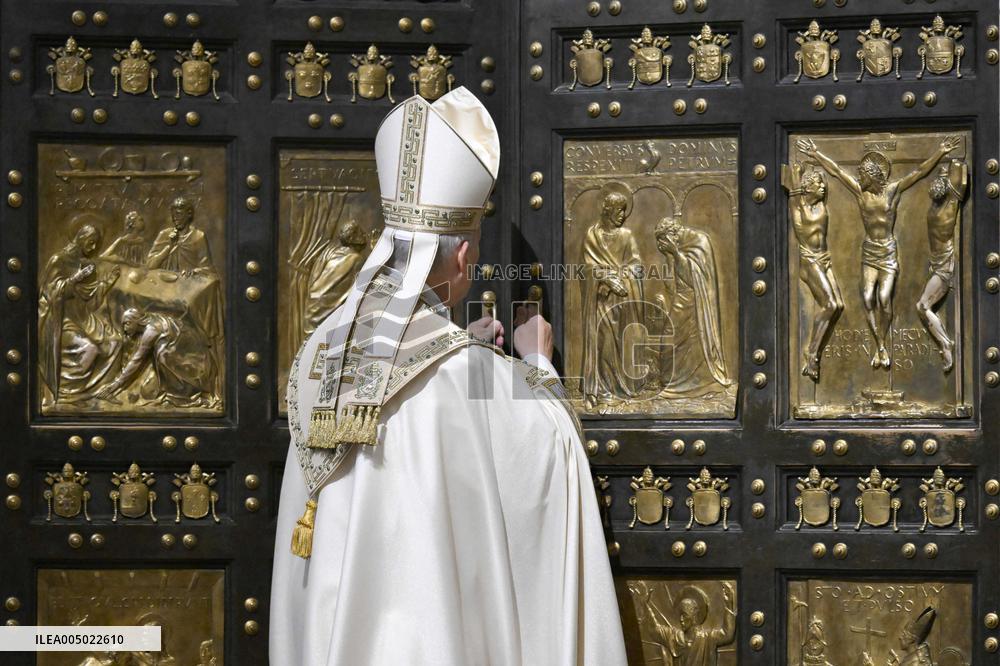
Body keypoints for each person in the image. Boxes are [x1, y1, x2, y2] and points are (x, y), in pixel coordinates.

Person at [270, 88, 626, 665]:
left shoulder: (323, 345)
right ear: (462, 257)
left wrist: (468, 344)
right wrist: (535, 361)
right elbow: (550, 451)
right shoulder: (461, 371)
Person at [796, 136, 960, 370]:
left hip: (888, 251)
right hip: (870, 251)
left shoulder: (892, 191)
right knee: (867, 298)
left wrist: (941, 152)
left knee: (883, 298)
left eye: (862, 174)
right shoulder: (860, 193)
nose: (859, 177)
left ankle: (882, 343)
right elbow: (837, 172)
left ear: (872, 175)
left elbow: (919, 172)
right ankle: (880, 345)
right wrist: (815, 154)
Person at [38, 222, 121, 404]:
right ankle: (69, 394)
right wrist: (76, 278)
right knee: (90, 349)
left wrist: (109, 281)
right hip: (61, 319)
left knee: (116, 340)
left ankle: (101, 391)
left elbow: (91, 301)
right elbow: (51, 293)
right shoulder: (59, 260)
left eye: (96, 244)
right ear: (81, 239)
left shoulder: (87, 265)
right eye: (90, 242)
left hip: (82, 317)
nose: (93, 247)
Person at [580, 182, 647, 408]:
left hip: (623, 299)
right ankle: (603, 389)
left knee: (621, 342)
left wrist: (620, 278)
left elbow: (637, 265)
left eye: (624, 211)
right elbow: (586, 268)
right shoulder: (592, 235)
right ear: (607, 211)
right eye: (618, 211)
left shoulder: (626, 236)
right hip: (600, 300)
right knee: (604, 341)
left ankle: (620, 387)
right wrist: (604, 278)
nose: (622, 216)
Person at [654, 216, 731, 396]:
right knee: (667, 342)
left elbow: (694, 278)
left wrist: (675, 253)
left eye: (663, 240)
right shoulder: (674, 247)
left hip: (697, 304)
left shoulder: (699, 241)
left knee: (688, 343)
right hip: (680, 300)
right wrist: (669, 256)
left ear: (672, 234)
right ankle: (671, 383)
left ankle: (699, 384)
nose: (661, 245)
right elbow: (670, 285)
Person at [783, 165, 844, 380]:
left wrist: (812, 163)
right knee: (830, 305)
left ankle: (814, 350)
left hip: (823, 258)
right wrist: (795, 173)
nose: (823, 187)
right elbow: (793, 190)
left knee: (839, 305)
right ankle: (812, 354)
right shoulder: (798, 206)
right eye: (818, 184)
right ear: (807, 188)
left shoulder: (820, 206)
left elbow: (824, 179)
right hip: (810, 261)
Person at [95, 308, 219, 408]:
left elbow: (137, 359)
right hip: (190, 347)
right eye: (123, 325)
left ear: (138, 321)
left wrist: (116, 384)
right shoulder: (150, 319)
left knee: (163, 354)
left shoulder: (151, 330)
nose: (124, 328)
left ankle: (185, 392)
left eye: (127, 323)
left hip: (190, 353)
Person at [917, 161, 967, 372]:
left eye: (942, 180)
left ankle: (946, 344)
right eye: (937, 179)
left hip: (944, 265)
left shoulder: (950, 205)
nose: (936, 183)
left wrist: (956, 163)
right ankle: (945, 343)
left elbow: (961, 181)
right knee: (923, 306)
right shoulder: (938, 204)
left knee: (922, 306)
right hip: (936, 262)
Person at [303, 219, 368, 337]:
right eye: (360, 232)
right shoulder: (356, 259)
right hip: (328, 315)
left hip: (313, 310)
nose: (364, 234)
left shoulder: (330, 253)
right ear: (352, 238)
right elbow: (369, 286)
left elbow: (313, 279)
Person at [644, 583, 736, 666]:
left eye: (685, 615)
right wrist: (645, 605)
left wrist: (729, 605)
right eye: (680, 615)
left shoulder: (707, 639)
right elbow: (654, 630)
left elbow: (727, 635)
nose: (681, 619)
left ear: (694, 617)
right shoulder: (674, 637)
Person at [145, 197, 214, 276]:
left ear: (189, 214)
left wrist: (194, 271)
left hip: (188, 281)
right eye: (173, 215)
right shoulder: (164, 235)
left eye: (179, 214)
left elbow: (208, 269)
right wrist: (169, 247)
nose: (175, 218)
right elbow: (150, 265)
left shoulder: (198, 236)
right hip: (164, 281)